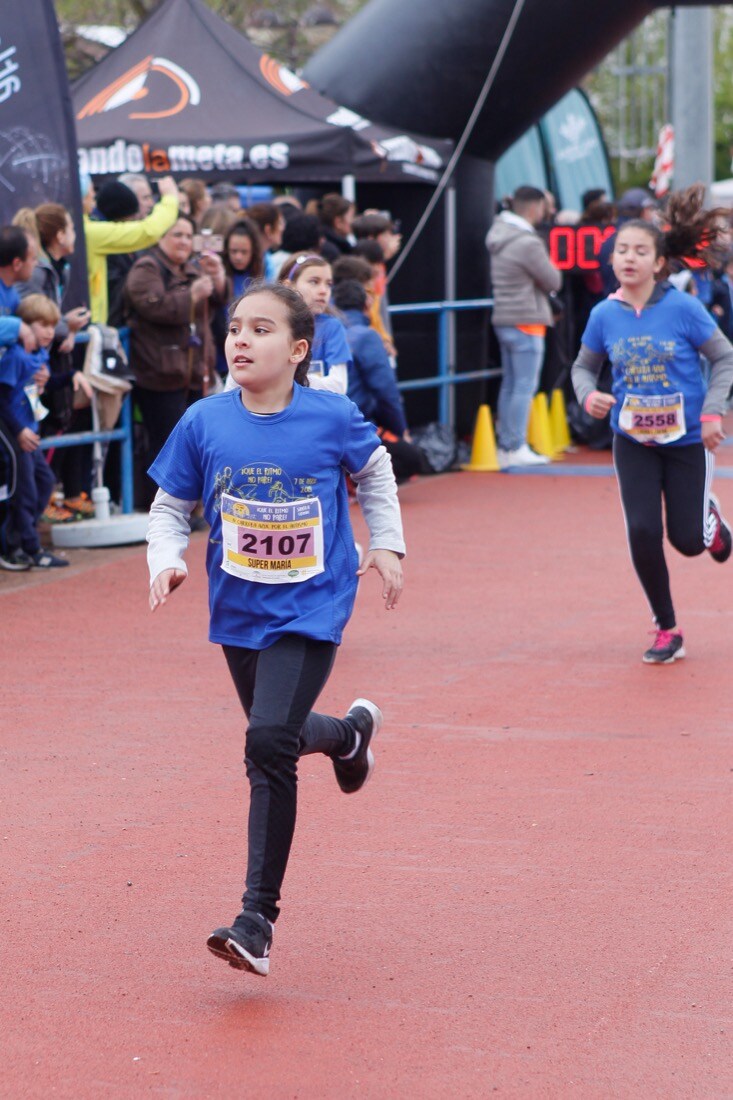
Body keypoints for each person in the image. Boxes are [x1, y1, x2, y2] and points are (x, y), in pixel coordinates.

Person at [146, 280, 405, 976]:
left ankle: (255, 921)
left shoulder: (331, 416)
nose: (239, 340)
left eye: (259, 330)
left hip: (312, 603)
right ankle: (349, 735)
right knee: (279, 736)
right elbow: (170, 507)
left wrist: (387, 545)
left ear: (297, 349)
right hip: (238, 609)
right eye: (234, 327)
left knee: (266, 743)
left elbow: (375, 477)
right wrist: (165, 559)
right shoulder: (204, 421)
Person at [571, 185, 733, 665]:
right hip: (633, 439)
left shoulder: (682, 309)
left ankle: (712, 524)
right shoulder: (604, 314)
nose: (629, 258)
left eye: (641, 251)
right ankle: (667, 628)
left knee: (686, 541)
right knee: (642, 530)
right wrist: (588, 395)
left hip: (686, 439)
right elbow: (582, 367)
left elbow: (724, 357)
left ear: (659, 262)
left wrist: (712, 412)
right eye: (622, 250)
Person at [124, 214, 226, 508]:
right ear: (160, 237)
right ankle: (163, 507)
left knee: (194, 444)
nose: (183, 241)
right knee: (166, 445)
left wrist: (217, 276)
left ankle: (189, 506)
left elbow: (219, 302)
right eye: (176, 234)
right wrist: (191, 295)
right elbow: (154, 307)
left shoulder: (190, 267)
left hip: (192, 372)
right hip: (160, 373)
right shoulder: (146, 268)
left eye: (187, 235)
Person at [486, 184, 563, 468]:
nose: (547, 213)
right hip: (527, 319)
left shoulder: (498, 234)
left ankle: (508, 445)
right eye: (545, 207)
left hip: (504, 317)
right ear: (534, 208)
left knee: (510, 384)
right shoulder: (528, 242)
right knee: (523, 386)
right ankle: (514, 444)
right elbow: (554, 280)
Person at [0, 294, 71, 568]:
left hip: (30, 431)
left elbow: (42, 386)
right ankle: (21, 547)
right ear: (26, 326)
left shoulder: (40, 355)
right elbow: (3, 398)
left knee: (44, 482)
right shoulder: (15, 356)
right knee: (24, 490)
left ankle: (30, 541)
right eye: (43, 325)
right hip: (17, 433)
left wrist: (68, 377)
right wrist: (18, 431)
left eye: (52, 325)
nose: (50, 332)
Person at [332, 279, 423, 483]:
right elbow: (386, 391)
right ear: (367, 303)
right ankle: (354, 479)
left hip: (324, 422)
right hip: (354, 425)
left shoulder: (320, 335)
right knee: (411, 459)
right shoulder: (366, 337)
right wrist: (401, 431)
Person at [83, 173, 179, 324]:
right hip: (98, 324)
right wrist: (170, 198)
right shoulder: (91, 232)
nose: (93, 197)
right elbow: (148, 231)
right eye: (90, 194)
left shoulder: (88, 228)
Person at [279, 252, 351, 394]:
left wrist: (290, 381)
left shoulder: (332, 327)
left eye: (328, 284)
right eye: (314, 282)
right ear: (289, 286)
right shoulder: (270, 323)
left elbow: (339, 385)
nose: (324, 291)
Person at [245, 203, 286, 281]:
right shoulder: (248, 259)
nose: (283, 228)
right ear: (268, 230)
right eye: (280, 223)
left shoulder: (266, 258)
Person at [315, 194, 355, 263]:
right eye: (352, 216)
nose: (354, 220)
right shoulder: (332, 252)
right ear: (338, 222)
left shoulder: (320, 241)